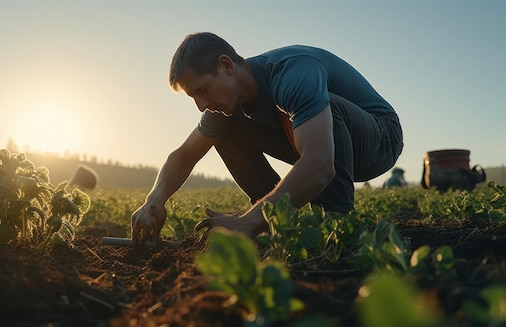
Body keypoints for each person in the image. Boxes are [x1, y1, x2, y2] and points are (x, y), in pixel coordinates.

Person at [131, 32, 403, 242]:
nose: (201, 105)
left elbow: (320, 164)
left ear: (226, 65)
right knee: (222, 129)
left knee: (326, 108)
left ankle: (335, 221)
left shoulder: (290, 73)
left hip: (378, 139)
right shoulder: (227, 103)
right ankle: (275, 219)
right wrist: (154, 199)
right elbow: (186, 154)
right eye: (194, 97)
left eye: (203, 90)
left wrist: (245, 222)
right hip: (320, 141)